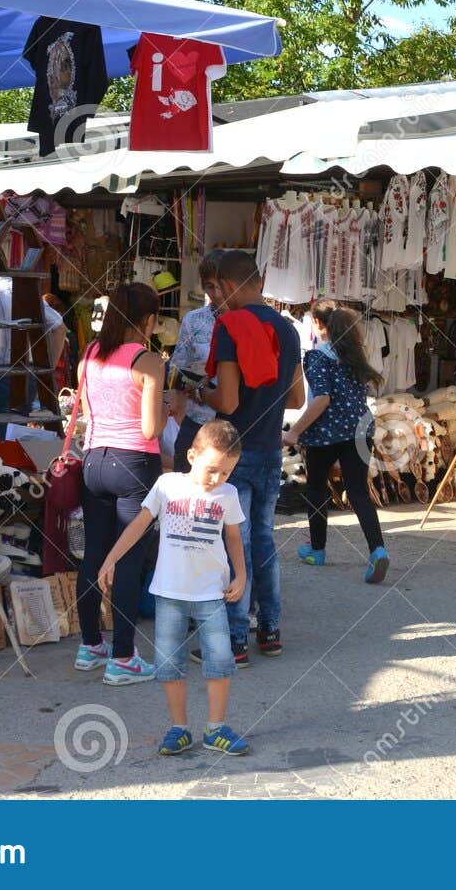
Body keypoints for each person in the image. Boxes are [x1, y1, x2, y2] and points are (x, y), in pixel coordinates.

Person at [99, 419, 250, 755]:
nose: (217, 479)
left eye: (226, 472)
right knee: (168, 663)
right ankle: (179, 728)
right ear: (192, 455)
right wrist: (111, 558)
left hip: (211, 592)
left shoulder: (229, 494)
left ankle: (216, 728)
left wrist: (241, 576)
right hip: (169, 592)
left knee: (220, 660)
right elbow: (138, 524)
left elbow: (235, 538)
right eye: (212, 469)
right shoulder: (167, 485)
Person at [188, 250, 302, 664]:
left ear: (231, 285)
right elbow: (296, 397)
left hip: (234, 453)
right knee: (264, 541)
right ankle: (269, 629)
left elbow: (229, 400)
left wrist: (200, 392)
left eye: (219, 287)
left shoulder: (230, 326)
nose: (217, 297)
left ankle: (235, 639)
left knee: (233, 544)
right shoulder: (289, 330)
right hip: (271, 449)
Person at [73, 282, 167, 684]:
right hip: (134, 464)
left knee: (93, 553)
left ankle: (90, 644)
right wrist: (167, 406)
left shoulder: (90, 356)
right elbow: (150, 427)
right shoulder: (148, 361)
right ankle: (124, 656)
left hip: (93, 461)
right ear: (147, 320)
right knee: (129, 556)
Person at [286, 304, 390, 584]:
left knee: (317, 489)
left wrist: (294, 431)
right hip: (360, 429)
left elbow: (322, 399)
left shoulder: (317, 357)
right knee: (358, 492)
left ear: (319, 324)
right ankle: (377, 550)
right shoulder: (354, 356)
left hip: (325, 433)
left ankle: (317, 550)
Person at [0, 250, 67, 440]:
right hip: (27, 374)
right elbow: (60, 328)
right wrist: (47, 367)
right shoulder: (27, 293)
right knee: (16, 435)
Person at [167, 250, 226, 470]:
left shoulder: (251, 321)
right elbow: (177, 368)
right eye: (210, 286)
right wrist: (193, 389)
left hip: (239, 424)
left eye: (221, 285)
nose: (217, 293)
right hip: (198, 419)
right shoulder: (194, 321)